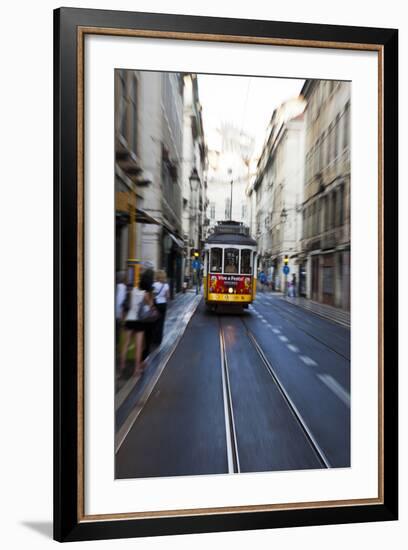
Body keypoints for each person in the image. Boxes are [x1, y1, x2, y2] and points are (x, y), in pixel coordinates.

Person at [119, 268, 154, 377]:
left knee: (125, 344)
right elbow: (150, 306)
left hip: (130, 319)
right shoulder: (145, 294)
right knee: (139, 347)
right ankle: (136, 370)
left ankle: (122, 366)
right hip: (140, 321)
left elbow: (129, 304)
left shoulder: (133, 290)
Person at [152, 269, 170, 346]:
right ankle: (158, 340)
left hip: (156, 304)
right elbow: (167, 296)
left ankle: (153, 339)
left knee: (154, 322)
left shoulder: (154, 285)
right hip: (163, 304)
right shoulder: (166, 285)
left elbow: (152, 295)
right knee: (161, 322)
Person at [115, 271, 127, 349]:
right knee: (118, 328)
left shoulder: (117, 286)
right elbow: (122, 300)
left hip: (116, 310)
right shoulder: (123, 287)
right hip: (119, 311)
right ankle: (117, 344)